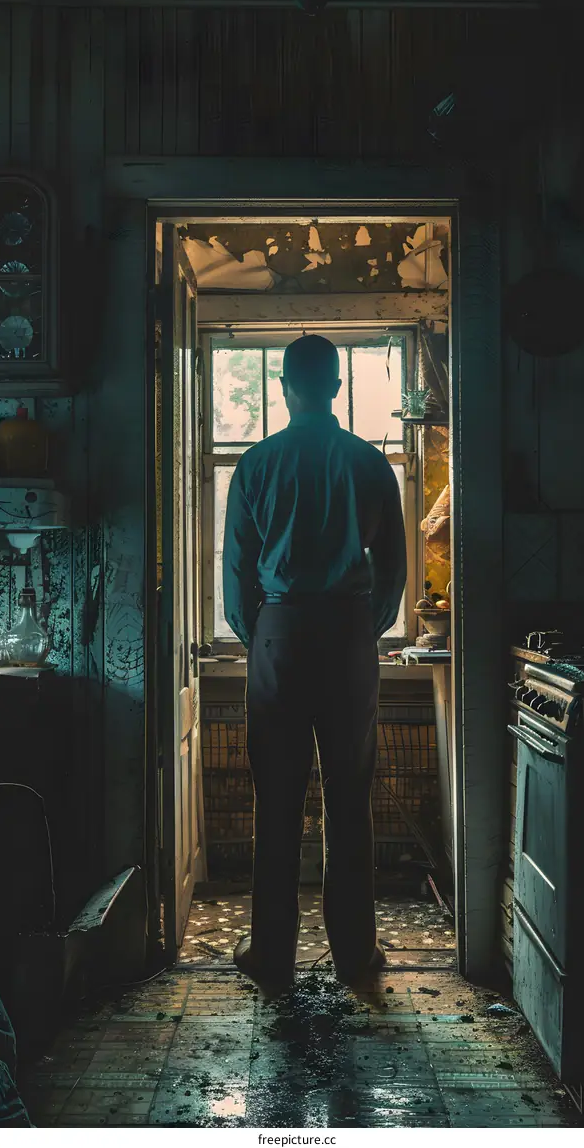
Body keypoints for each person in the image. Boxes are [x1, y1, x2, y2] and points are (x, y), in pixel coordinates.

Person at [222, 333, 406, 989]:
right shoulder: (368, 463)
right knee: (349, 798)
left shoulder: (257, 463)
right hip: (350, 633)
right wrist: (364, 627)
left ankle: (273, 955)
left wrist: (266, 635)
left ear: (283, 386)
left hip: (280, 628)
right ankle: (355, 955)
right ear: (332, 386)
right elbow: (393, 573)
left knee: (276, 799)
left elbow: (237, 577)